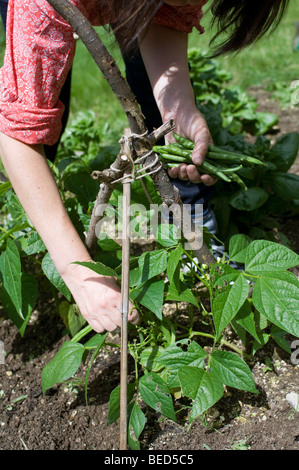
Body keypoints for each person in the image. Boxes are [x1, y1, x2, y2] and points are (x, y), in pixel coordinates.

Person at [0, 0, 289, 334]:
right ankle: (29, 221)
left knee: (141, 71)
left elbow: (163, 16)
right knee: (43, 105)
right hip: (48, 11)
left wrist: (177, 105)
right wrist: (78, 272)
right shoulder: (42, 6)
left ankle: (190, 227)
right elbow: (16, 133)